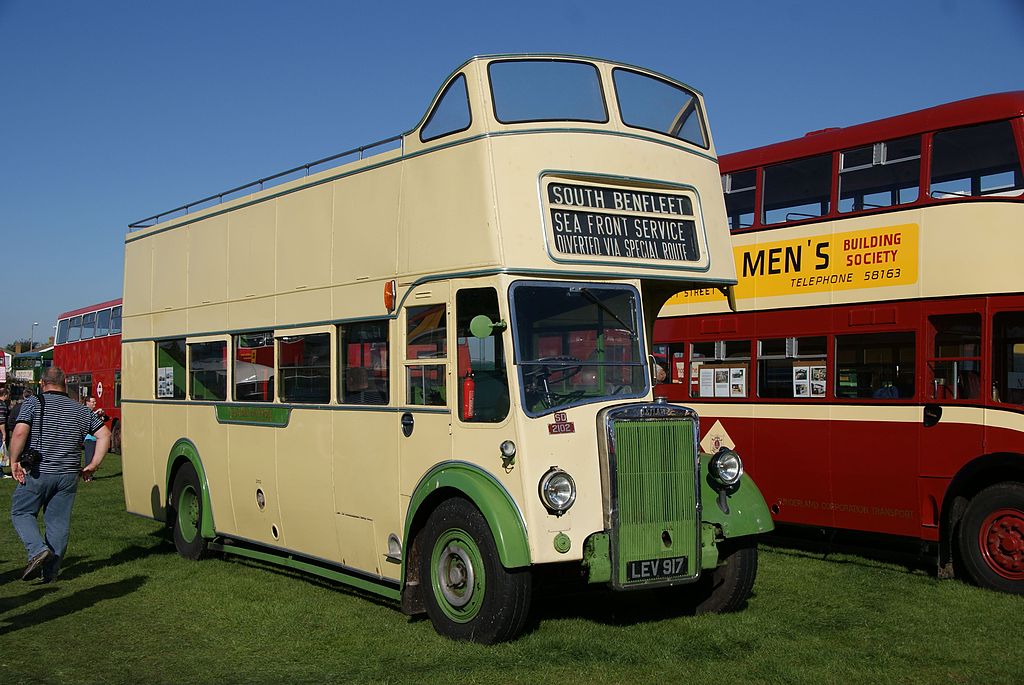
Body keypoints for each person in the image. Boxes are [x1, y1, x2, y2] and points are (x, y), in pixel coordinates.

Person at [8, 367, 111, 583]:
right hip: (68, 474)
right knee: (58, 523)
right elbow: (105, 434)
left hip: (39, 470)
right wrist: (92, 465)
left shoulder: (34, 403)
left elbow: (19, 432)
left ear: (43, 383)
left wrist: (14, 461)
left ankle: (37, 550)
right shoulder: (82, 410)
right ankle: (51, 572)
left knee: (22, 511)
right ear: (64, 383)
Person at [82, 395, 108, 467]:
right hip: (89, 439)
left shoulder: (93, 412)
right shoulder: (84, 411)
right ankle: (87, 476)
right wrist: (96, 414)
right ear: (87, 403)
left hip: (96, 438)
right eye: (93, 402)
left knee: (95, 459)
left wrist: (103, 415)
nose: (95, 403)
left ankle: (90, 475)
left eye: (95, 402)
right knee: (89, 458)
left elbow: (106, 420)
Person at [0, 387, 9, 477]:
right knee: (1, 452)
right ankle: (0, 472)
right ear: (5, 395)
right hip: (0, 431)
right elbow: (1, 420)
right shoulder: (2, 404)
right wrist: (4, 433)